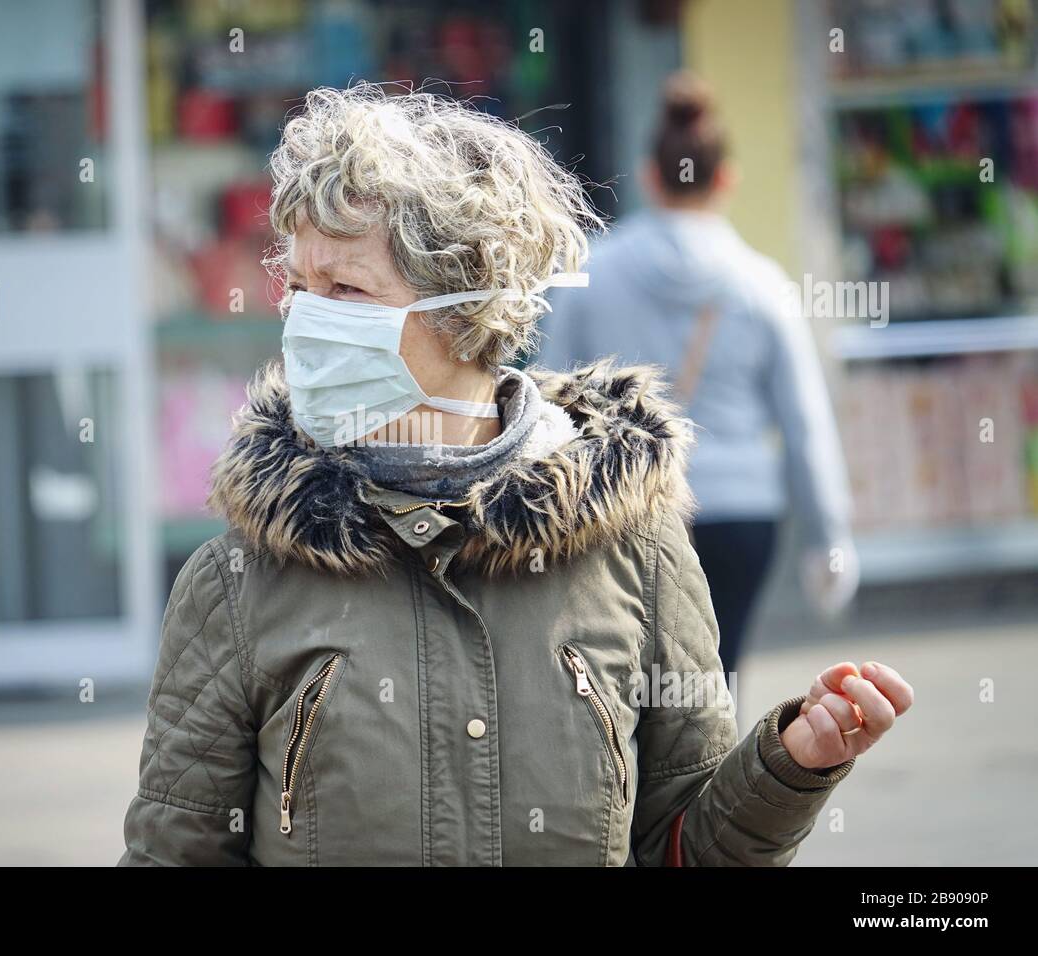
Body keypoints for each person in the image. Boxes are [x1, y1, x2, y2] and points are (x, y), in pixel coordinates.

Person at [119, 84, 911, 866]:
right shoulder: (235, 579)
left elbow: (681, 844)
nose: (307, 318)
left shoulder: (638, 550)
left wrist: (789, 769)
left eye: (347, 290)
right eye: (300, 286)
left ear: (466, 308)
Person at [537, 72, 858, 681]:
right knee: (716, 677)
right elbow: (805, 423)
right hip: (742, 514)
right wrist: (830, 536)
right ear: (726, 179)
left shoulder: (592, 274)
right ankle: (711, 775)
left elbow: (549, 400)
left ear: (651, 175)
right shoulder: (763, 284)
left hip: (630, 509)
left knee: (631, 680)